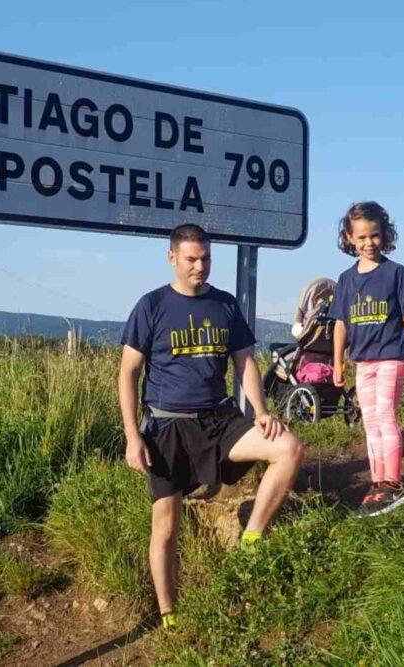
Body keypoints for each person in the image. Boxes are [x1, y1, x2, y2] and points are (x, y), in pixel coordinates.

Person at [118, 223, 306, 629]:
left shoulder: (224, 305)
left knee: (289, 449)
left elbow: (245, 361)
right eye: (191, 259)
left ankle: (252, 539)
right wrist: (133, 438)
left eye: (205, 258)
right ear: (172, 258)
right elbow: (127, 374)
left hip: (219, 420)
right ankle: (170, 616)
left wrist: (260, 409)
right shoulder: (151, 306)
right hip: (166, 429)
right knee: (166, 527)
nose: (199, 266)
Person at [328, 201, 404, 517]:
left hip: (392, 356)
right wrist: (338, 362)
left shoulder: (396, 273)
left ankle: (393, 484)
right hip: (363, 361)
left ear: (385, 235)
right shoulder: (345, 280)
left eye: (374, 236)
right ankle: (377, 483)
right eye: (361, 238)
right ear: (349, 238)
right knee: (369, 421)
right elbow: (340, 324)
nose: (368, 243)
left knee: (385, 415)